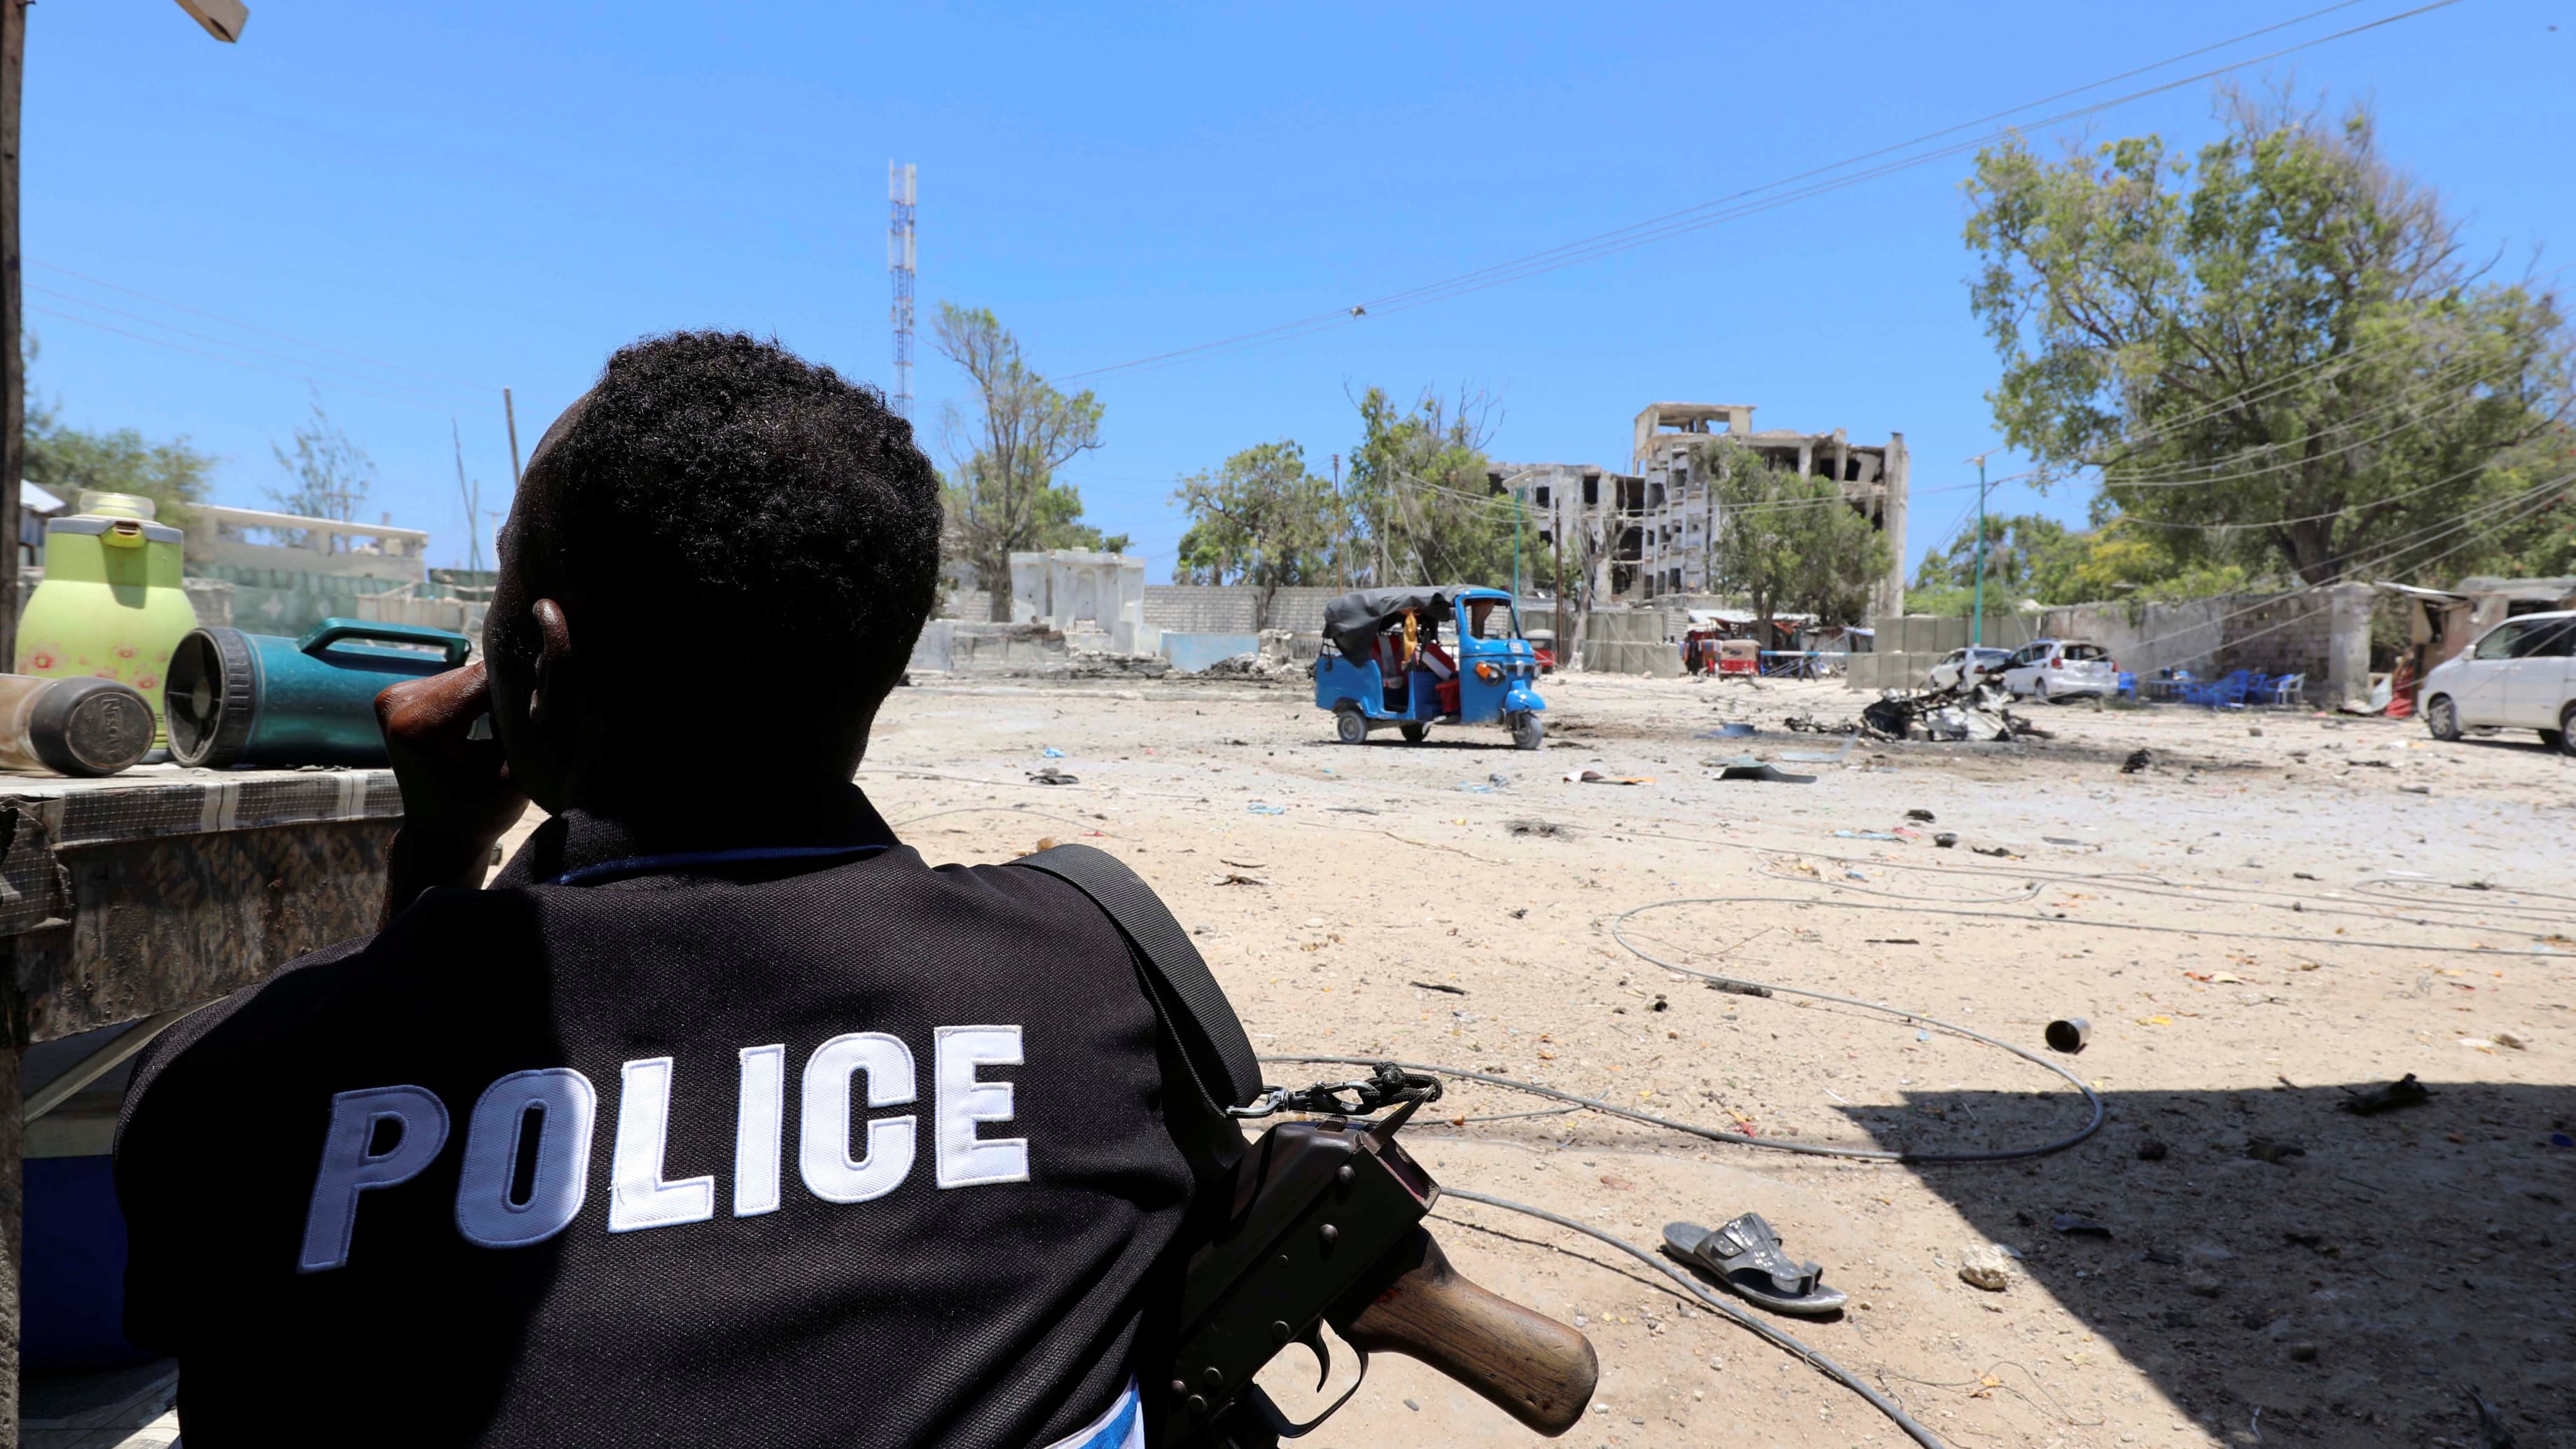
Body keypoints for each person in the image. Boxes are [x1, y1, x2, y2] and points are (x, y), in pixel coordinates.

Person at [114, 333, 1219, 1449]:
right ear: (880, 657)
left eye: (504, 575)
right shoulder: (1088, 977)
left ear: (541, 668)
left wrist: (436, 865)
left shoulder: (234, 1088)